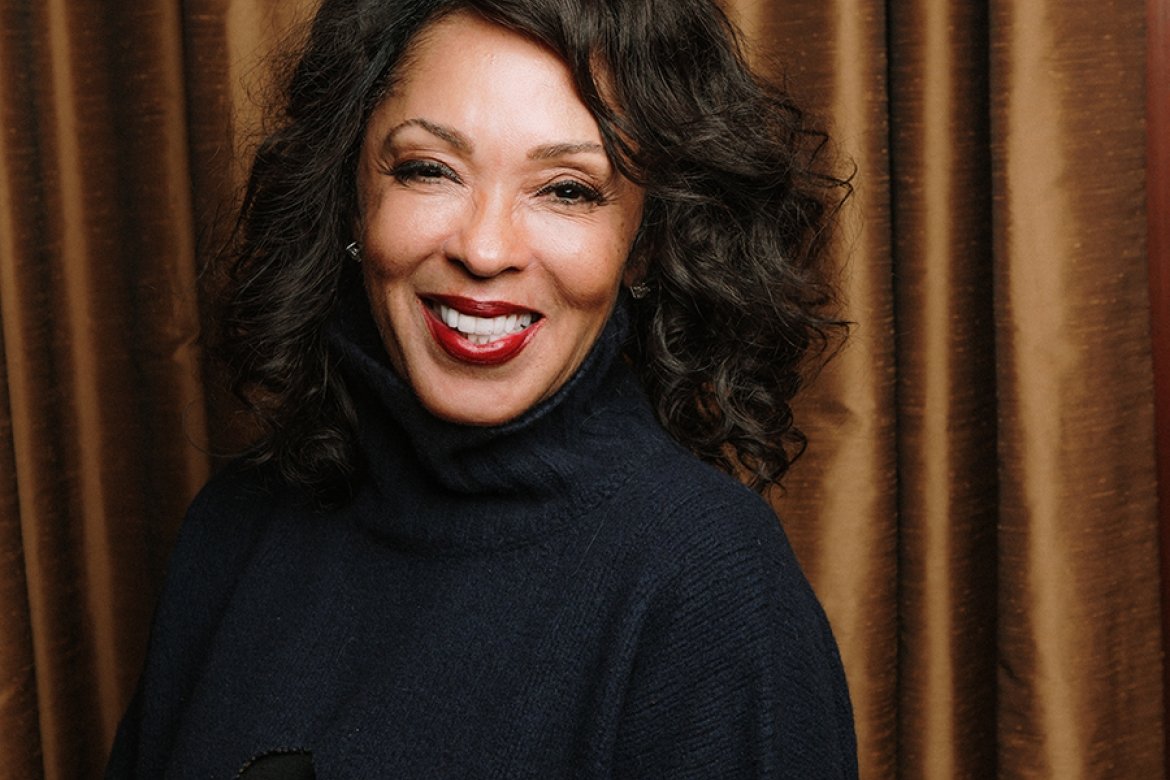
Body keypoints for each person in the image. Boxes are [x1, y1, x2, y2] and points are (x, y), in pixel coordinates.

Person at [108, 0, 857, 776]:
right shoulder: (233, 528)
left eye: (567, 189)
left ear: (646, 243)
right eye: (430, 170)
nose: (486, 248)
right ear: (352, 199)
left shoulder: (712, 591)